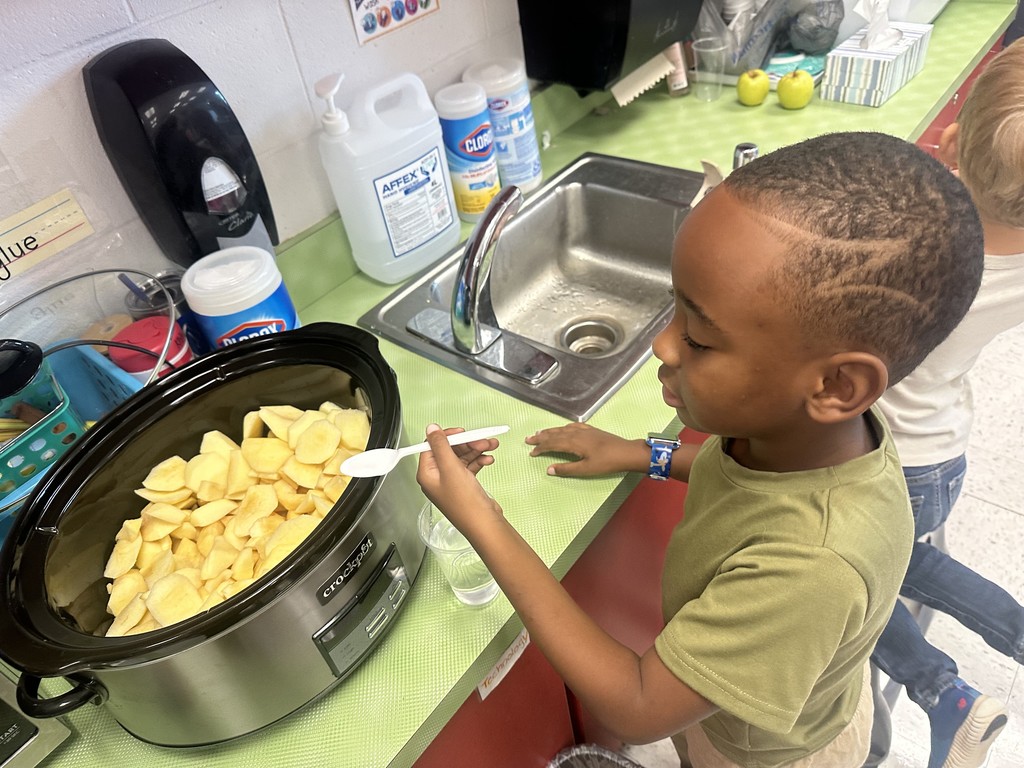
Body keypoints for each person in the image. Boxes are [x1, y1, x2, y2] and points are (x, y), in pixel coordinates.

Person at [415, 131, 984, 767]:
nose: (662, 345)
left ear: (835, 385)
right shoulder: (806, 439)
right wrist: (641, 454)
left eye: (701, 338)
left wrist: (483, 524)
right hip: (734, 703)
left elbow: (633, 701)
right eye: (673, 311)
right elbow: (740, 483)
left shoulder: (812, 569)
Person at [867, 38, 1024, 768]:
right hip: (943, 455)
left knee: (852, 588)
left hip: (887, 461)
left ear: (951, 139)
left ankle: (943, 695)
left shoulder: (914, 249)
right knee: (908, 567)